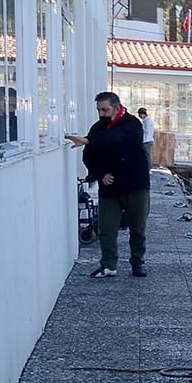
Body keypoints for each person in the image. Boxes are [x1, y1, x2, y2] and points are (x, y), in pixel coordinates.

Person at [66, 92, 151, 278]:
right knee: (107, 228)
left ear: (117, 106)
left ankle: (138, 262)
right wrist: (100, 174)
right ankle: (108, 265)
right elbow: (88, 156)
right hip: (109, 187)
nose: (101, 113)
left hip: (135, 184)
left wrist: (88, 140)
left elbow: (116, 137)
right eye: (98, 110)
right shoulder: (97, 127)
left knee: (138, 227)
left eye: (105, 109)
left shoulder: (132, 124)